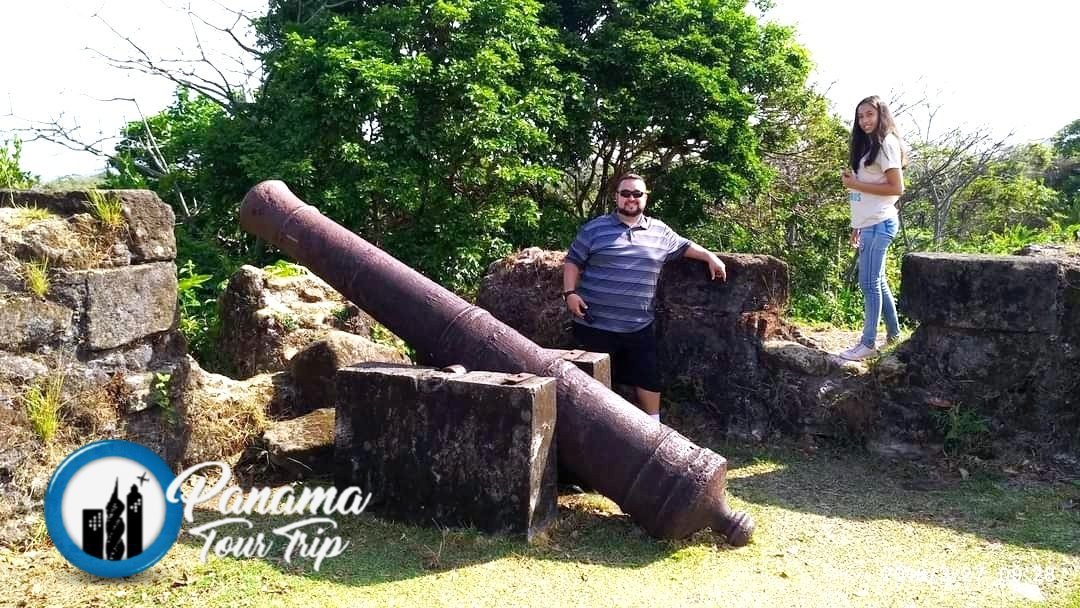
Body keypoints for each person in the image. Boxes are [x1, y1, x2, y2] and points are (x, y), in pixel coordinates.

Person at [562, 173, 726, 423]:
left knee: (648, 377)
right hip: (594, 323)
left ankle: (653, 428)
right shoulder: (594, 228)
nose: (631, 198)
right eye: (625, 193)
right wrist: (570, 293)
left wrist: (710, 257)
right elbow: (573, 261)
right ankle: (594, 429)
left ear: (645, 198)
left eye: (637, 194)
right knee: (593, 384)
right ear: (616, 197)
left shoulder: (660, 231)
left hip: (638, 324)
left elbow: (685, 246)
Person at [838, 95, 906, 361]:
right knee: (878, 281)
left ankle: (868, 344)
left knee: (868, 283)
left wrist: (854, 184)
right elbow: (865, 195)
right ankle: (893, 335)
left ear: (881, 116)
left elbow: (896, 188)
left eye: (870, 114)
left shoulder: (886, 143)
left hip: (880, 223)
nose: (864, 120)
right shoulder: (869, 146)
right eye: (860, 116)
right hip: (870, 223)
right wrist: (857, 224)